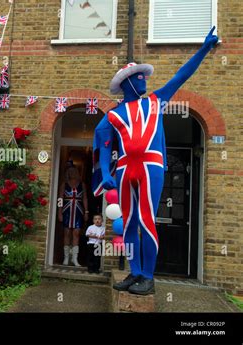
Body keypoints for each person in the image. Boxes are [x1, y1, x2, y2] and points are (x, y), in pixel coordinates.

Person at [92, 27, 218, 295]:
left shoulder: (156, 101)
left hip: (151, 166)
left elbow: (181, 75)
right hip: (125, 168)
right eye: (139, 77)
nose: (144, 81)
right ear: (127, 82)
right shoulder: (112, 116)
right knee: (128, 223)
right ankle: (135, 271)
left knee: (147, 219)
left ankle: (148, 276)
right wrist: (105, 172)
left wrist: (205, 49)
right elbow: (104, 147)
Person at [58, 165, 89, 266]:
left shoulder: (82, 184)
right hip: (66, 211)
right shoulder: (64, 184)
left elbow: (84, 198)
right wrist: (59, 212)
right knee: (67, 233)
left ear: (77, 172)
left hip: (78, 211)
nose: (72, 173)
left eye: (74, 171)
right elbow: (60, 199)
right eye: (70, 171)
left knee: (76, 233)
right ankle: (66, 258)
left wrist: (86, 212)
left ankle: (74, 259)